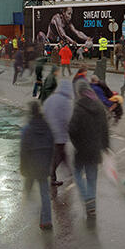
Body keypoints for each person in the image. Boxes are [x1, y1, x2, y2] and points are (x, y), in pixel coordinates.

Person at [68, 79, 110, 218]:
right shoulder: (99, 106)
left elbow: (72, 130)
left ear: (79, 92)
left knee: (78, 174)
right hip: (94, 150)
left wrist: (77, 144)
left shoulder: (78, 107)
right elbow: (105, 128)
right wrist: (105, 146)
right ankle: (91, 206)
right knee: (92, 178)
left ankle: (86, 197)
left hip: (81, 150)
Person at [20, 101, 55, 230]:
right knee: (45, 193)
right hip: (44, 164)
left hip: (31, 166)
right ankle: (47, 221)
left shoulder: (28, 129)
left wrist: (23, 167)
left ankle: (36, 209)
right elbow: (52, 145)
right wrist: (50, 162)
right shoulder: (47, 127)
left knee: (28, 190)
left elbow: (24, 151)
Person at [43, 75, 74, 187]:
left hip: (49, 133)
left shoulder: (51, 98)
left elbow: (44, 112)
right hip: (59, 133)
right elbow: (67, 118)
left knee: (61, 154)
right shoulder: (65, 101)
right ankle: (51, 175)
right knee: (60, 155)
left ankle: (69, 172)